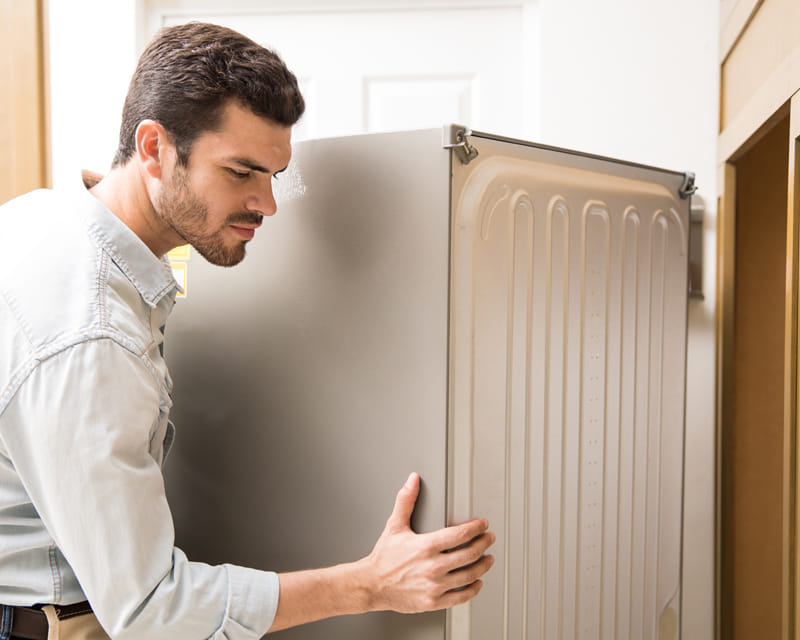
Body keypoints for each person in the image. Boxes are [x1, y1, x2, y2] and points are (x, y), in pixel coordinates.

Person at [0, 21, 495, 640]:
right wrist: (372, 583)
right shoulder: (92, 333)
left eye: (273, 174)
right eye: (240, 172)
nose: (268, 203)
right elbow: (153, 608)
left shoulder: (37, 219)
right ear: (154, 147)